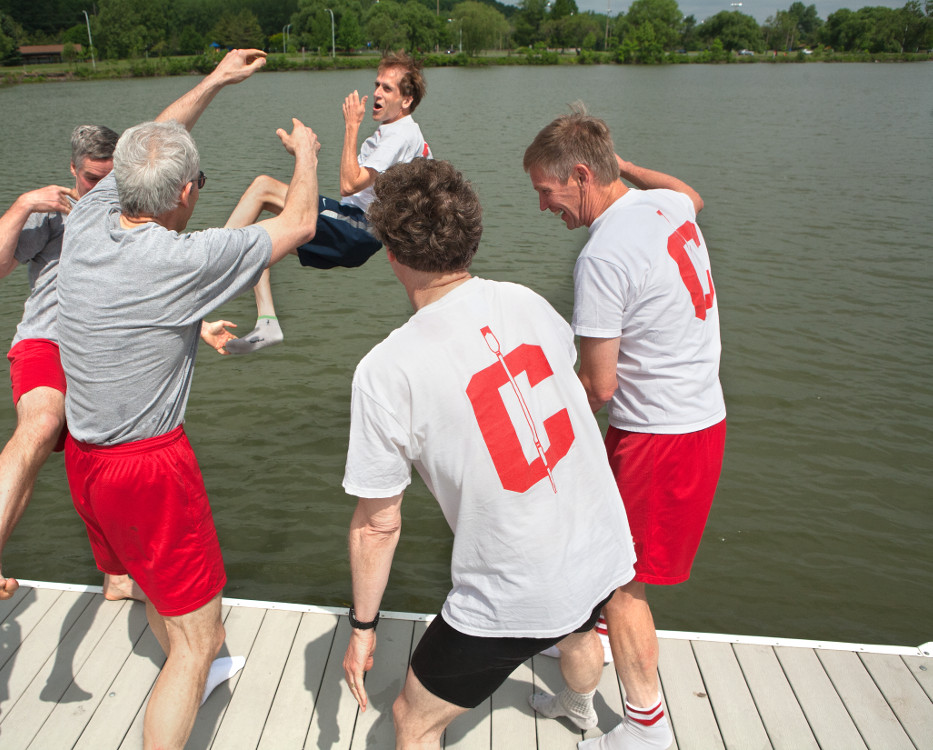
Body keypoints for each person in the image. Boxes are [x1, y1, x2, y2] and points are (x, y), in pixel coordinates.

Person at [56, 49, 320, 749]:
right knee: (198, 640)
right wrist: (309, 154)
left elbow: (150, 137)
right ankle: (193, 669)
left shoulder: (86, 219)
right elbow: (297, 225)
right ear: (184, 195)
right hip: (147, 468)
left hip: (84, 458)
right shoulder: (180, 259)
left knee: (154, 591)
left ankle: (191, 663)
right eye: (198, 183)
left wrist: (215, 81)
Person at [340, 159, 635, 749]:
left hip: (516, 582)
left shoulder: (386, 369)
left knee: (412, 719)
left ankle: (568, 701)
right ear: (470, 236)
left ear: (392, 254)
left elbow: (377, 525)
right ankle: (578, 709)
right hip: (600, 540)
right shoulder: (524, 301)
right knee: (579, 628)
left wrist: (363, 628)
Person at [0, 126, 239, 616]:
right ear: (73, 172)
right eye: (94, 179)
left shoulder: (139, 220)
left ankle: (118, 576)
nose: (108, 190)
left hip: (106, 349)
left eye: (118, 178)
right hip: (49, 342)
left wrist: (196, 327)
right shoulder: (61, 215)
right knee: (43, 423)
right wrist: (26, 203)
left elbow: (141, 303)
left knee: (114, 454)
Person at [524, 104, 726, 750]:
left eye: (545, 191)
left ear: (580, 176)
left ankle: (646, 729)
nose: (541, 206)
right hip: (693, 419)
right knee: (601, 556)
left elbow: (598, 387)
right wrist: (625, 168)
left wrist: (535, 441)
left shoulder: (602, 257)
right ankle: (586, 673)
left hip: (660, 435)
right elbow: (689, 193)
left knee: (621, 582)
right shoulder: (662, 207)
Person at [223, 51, 432, 354]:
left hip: (357, 228)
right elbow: (353, 188)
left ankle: (208, 262)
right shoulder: (399, 133)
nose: (376, 92)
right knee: (262, 235)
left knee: (263, 188)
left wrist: (350, 126)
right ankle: (267, 322)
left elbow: (349, 184)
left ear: (407, 99)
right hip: (353, 226)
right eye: (377, 84)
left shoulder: (399, 134)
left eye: (387, 88)